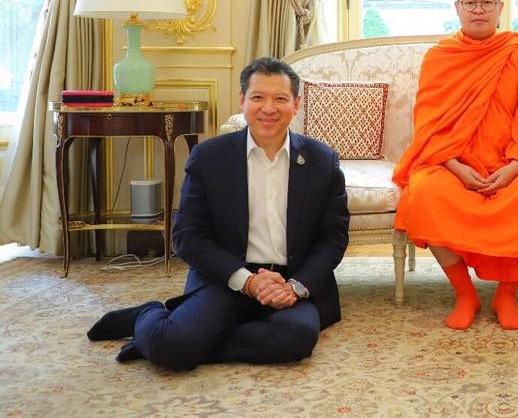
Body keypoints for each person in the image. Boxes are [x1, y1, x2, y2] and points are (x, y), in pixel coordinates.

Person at [87, 57, 349, 370]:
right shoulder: (209, 157)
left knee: (297, 338)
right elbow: (187, 236)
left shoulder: (322, 160)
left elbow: (333, 238)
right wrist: (248, 282)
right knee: (171, 350)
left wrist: (295, 286)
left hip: (288, 282)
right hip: (227, 276)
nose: (269, 108)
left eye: (280, 99)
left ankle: (183, 340)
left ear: (296, 104)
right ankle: (149, 317)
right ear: (242, 101)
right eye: (257, 97)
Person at [393, 0, 518, 331]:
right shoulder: (440, 57)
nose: (478, 10)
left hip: (508, 162)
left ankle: (506, 295)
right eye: (470, 3)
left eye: (487, 2)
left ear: (500, 7)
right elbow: (428, 124)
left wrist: (512, 168)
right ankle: (464, 293)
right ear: (457, 7)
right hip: (448, 161)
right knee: (424, 194)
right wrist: (456, 167)